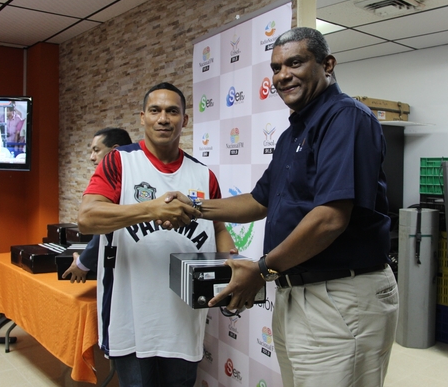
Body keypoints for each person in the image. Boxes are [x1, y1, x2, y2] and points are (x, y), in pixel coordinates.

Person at [166, 27, 399, 387]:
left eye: (295, 63)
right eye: (276, 68)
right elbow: (258, 201)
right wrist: (194, 207)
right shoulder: (293, 133)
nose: (283, 75)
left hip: (341, 295)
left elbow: (330, 218)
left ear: (327, 65)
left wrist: (261, 270)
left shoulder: (345, 118)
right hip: (295, 292)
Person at [77, 82, 235, 387]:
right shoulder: (119, 162)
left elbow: (219, 228)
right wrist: (151, 209)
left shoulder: (204, 175)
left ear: (184, 120)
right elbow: (87, 218)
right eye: (155, 110)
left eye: (172, 111)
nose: (163, 118)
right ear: (142, 117)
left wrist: (230, 268)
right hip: (131, 319)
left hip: (184, 321)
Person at [62, 127, 133, 283]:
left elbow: (109, 227)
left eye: (96, 150)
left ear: (114, 151)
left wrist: (82, 263)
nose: (92, 158)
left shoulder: (123, 183)